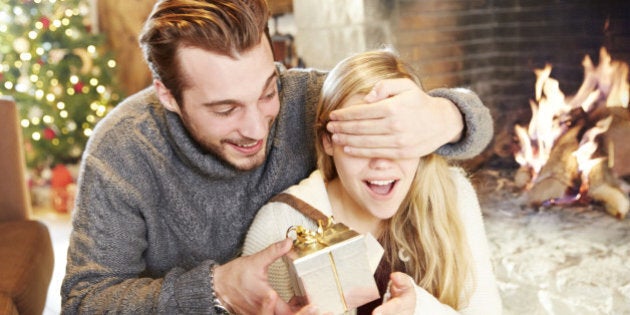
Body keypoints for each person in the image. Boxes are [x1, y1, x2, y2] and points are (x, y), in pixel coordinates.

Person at [61, 0, 494, 314]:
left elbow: (472, 124)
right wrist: (217, 288)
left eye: (267, 91)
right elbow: (84, 301)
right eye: (225, 109)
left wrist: (447, 115)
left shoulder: (305, 99)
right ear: (168, 96)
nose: (256, 127)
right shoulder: (123, 151)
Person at [242, 49, 502, 314]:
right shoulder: (279, 226)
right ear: (327, 141)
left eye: (394, 139)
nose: (381, 163)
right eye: (362, 141)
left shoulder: (453, 194)